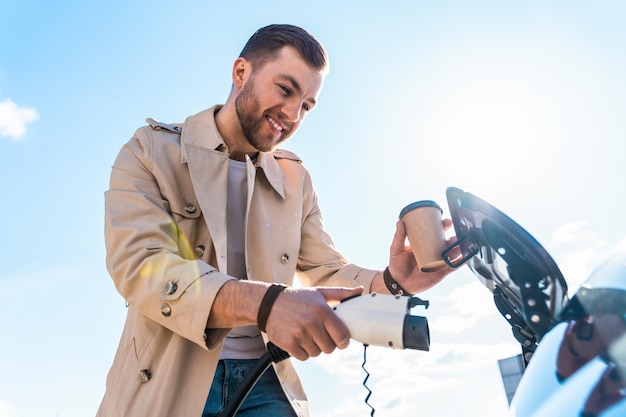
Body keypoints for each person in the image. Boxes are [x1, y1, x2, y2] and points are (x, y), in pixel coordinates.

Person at [97, 24, 455, 417]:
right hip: (169, 380)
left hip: (266, 382)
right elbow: (140, 266)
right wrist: (266, 304)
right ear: (240, 73)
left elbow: (326, 270)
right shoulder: (149, 150)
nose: (292, 114)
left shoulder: (296, 179)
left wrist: (392, 282)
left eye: (306, 105)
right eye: (285, 90)